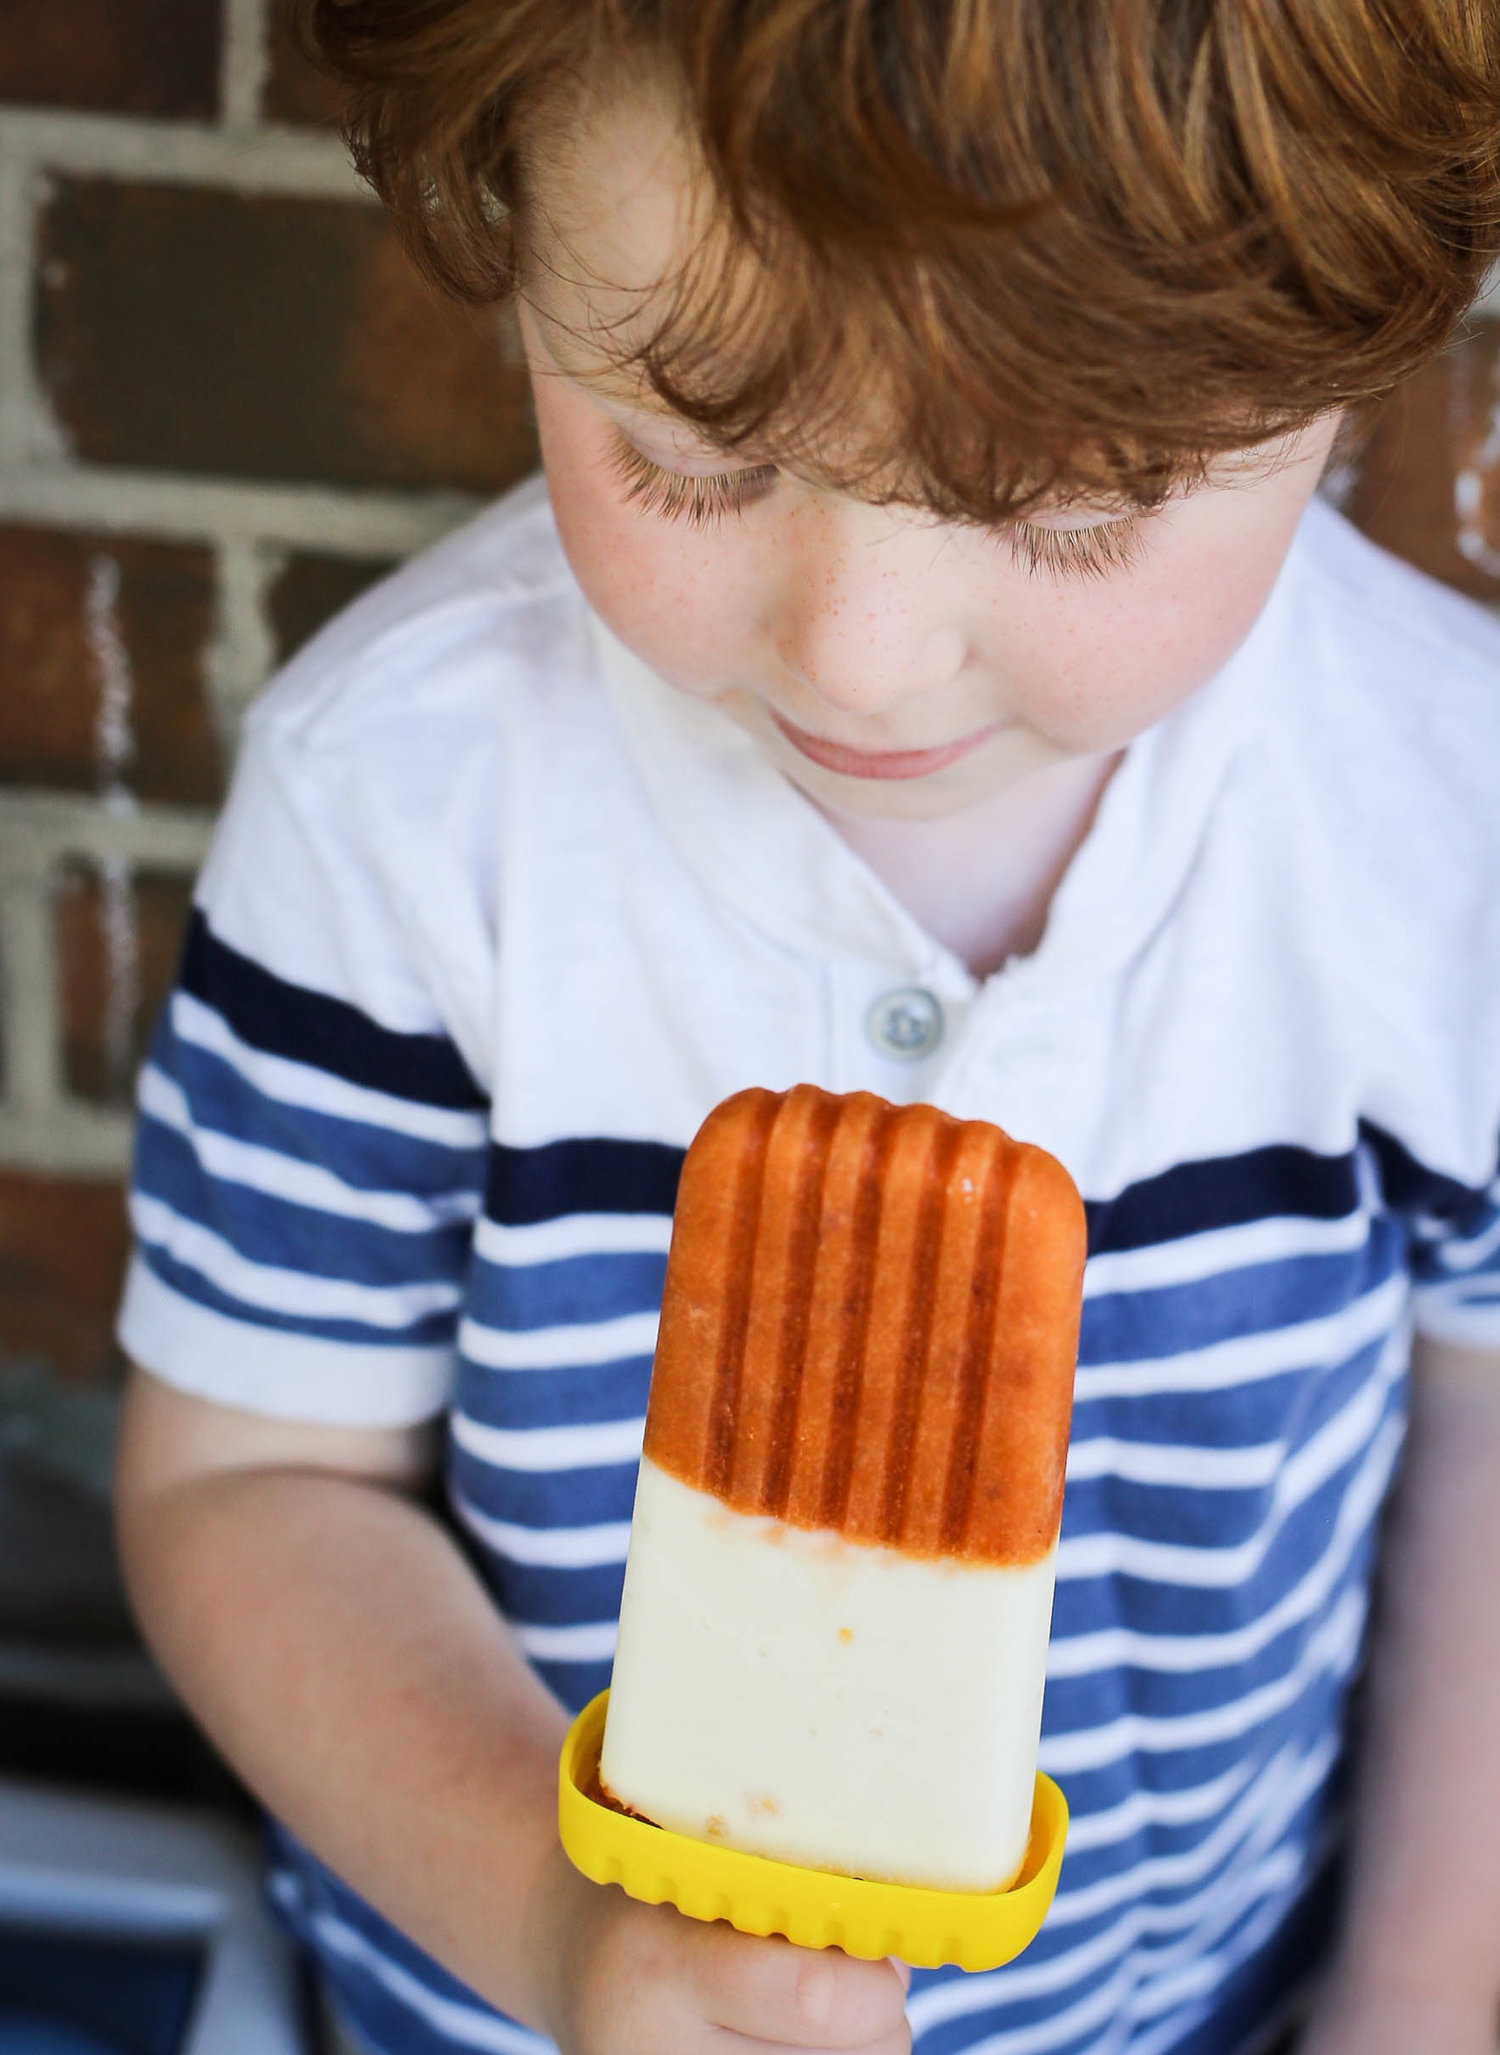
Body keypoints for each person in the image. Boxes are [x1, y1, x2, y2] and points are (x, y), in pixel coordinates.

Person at [111, 4, 1500, 2053]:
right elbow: (248, 1481)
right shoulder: (406, 807)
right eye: (695, 448)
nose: (859, 650)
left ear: (1349, 364)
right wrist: (560, 1926)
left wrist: (1422, 1996)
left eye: (1074, 502)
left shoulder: (1447, 818)